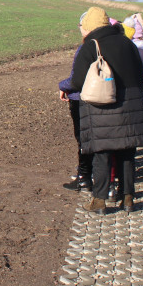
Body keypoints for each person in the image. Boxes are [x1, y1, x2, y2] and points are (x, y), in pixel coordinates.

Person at [68, 7, 143, 214]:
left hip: (102, 107)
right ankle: (128, 198)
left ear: (90, 25)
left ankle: (99, 201)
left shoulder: (91, 46)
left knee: (102, 154)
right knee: (127, 153)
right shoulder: (128, 43)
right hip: (130, 106)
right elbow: (140, 75)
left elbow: (78, 81)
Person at [59, 13, 93, 192]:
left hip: (80, 99)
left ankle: (84, 176)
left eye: (81, 25)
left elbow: (77, 79)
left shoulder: (86, 48)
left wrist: (62, 85)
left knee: (83, 138)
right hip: (95, 97)